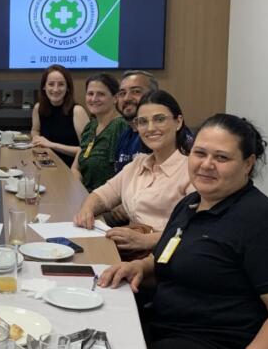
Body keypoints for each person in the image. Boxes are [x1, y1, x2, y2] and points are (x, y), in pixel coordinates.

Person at [99, 114, 268, 349]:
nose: (207, 164)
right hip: (168, 327)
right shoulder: (191, 205)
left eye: (221, 157)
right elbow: (170, 259)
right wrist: (141, 267)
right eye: (200, 153)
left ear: (248, 163)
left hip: (218, 348)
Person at [73, 90, 194, 258]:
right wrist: (87, 210)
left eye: (159, 119)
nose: (150, 128)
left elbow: (192, 231)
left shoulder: (192, 171)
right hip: (130, 250)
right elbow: (102, 195)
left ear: (178, 122)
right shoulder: (138, 163)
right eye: (143, 122)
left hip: (165, 257)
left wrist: (145, 240)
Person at [71, 73, 129, 191]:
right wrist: (79, 191)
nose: (93, 99)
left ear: (115, 98)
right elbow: (76, 168)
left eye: (101, 94)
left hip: (107, 202)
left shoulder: (119, 126)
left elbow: (122, 175)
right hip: (84, 195)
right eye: (90, 94)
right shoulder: (91, 126)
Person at [30, 64, 90, 167]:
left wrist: (51, 145)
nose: (56, 89)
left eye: (61, 84)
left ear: (68, 88)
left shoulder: (77, 111)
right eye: (51, 84)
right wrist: (37, 139)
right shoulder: (38, 108)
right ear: (44, 86)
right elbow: (35, 130)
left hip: (71, 169)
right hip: (46, 165)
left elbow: (87, 150)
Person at [113, 70, 159, 173]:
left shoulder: (161, 133)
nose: (126, 98)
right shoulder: (123, 137)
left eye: (136, 91)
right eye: (122, 93)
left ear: (154, 95)